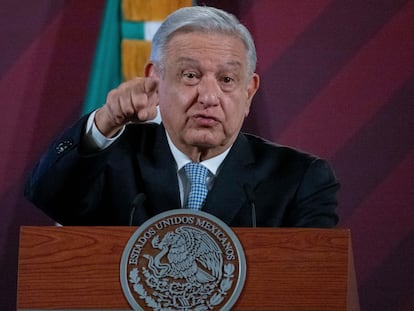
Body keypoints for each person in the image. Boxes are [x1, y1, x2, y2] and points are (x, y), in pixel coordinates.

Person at [25, 6, 340, 227]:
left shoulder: (300, 179)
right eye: (190, 75)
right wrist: (103, 123)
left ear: (249, 91)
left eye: (227, 80)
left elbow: (312, 282)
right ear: (155, 80)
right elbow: (50, 197)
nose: (208, 96)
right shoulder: (114, 161)